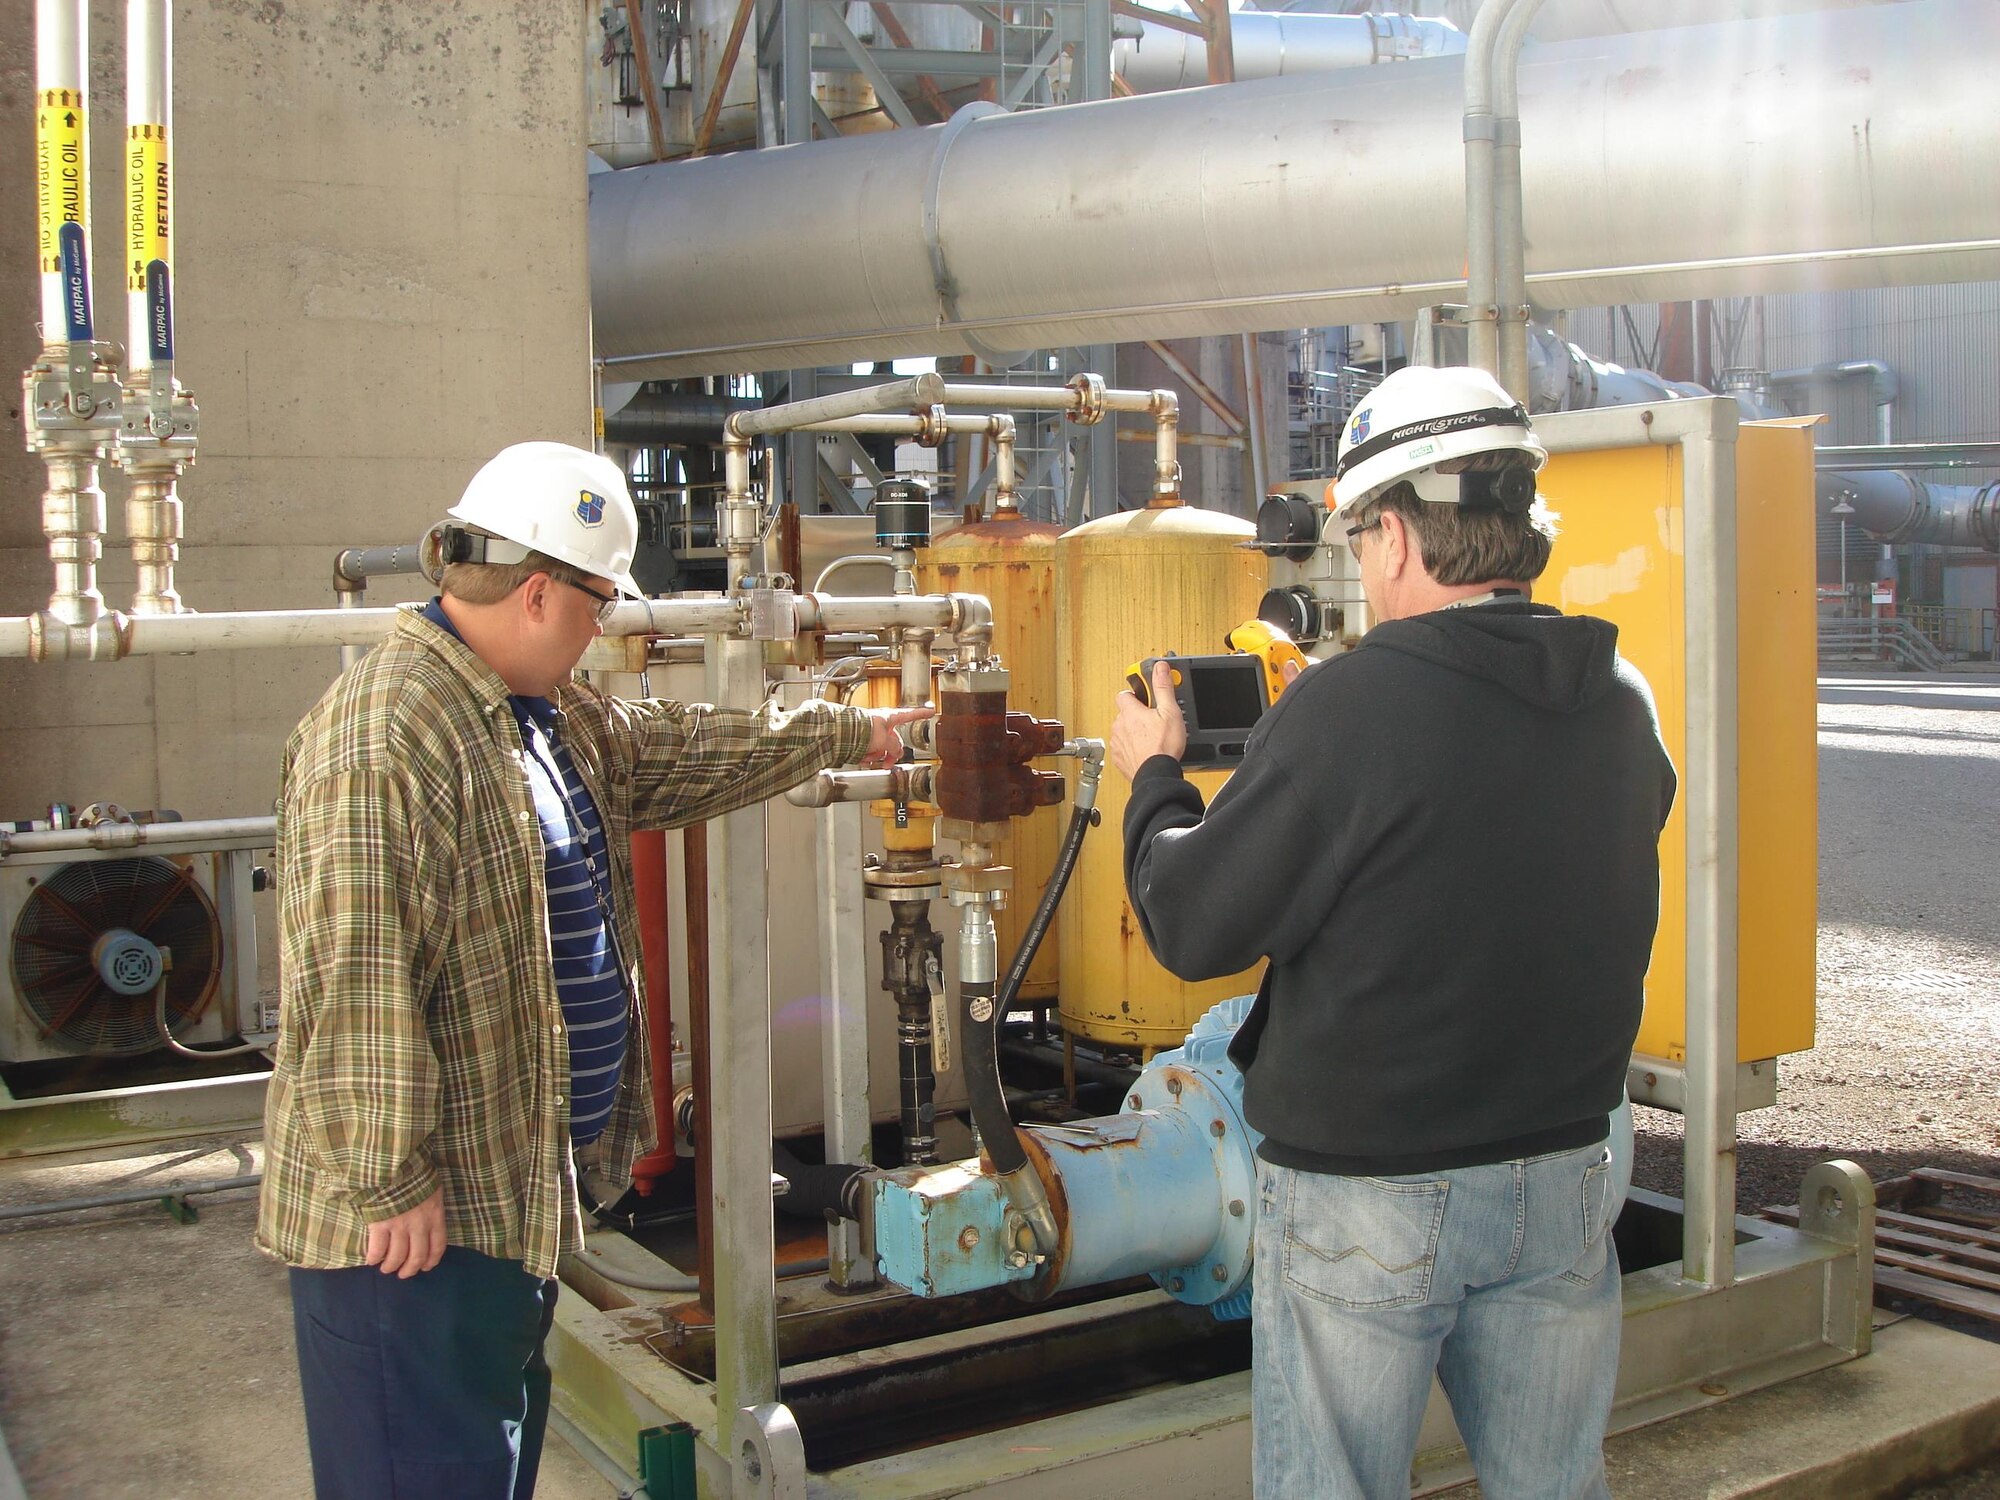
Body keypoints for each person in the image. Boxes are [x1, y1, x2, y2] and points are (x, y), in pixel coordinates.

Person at [256, 441, 926, 1500]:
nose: (605, 629)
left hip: (500, 1205)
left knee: (484, 1459)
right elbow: (350, 971)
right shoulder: (386, 731)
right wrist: (388, 1177)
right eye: (599, 606)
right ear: (536, 594)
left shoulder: (532, 712)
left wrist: (851, 732)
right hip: (410, 1235)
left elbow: (672, 752)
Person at [1109, 366, 1677, 1500]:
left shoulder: (1352, 707)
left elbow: (1192, 919)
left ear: (1400, 539)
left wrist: (1153, 776)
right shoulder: (1618, 692)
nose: (1360, 562)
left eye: (1360, 534)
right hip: (1566, 1166)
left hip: (1375, 1187)